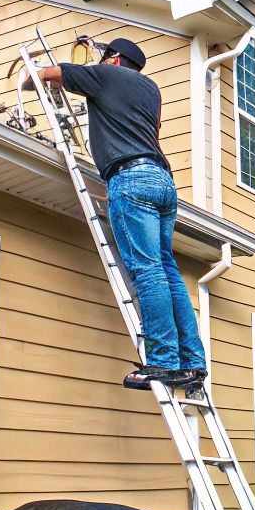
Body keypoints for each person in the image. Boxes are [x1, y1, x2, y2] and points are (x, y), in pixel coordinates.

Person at [29, 38, 207, 391]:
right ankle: (193, 363)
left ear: (113, 59)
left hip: (130, 178)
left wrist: (40, 72)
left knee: (148, 270)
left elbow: (48, 73)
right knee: (167, 270)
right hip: (162, 180)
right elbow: (155, 132)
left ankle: (163, 361)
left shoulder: (105, 75)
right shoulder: (151, 90)